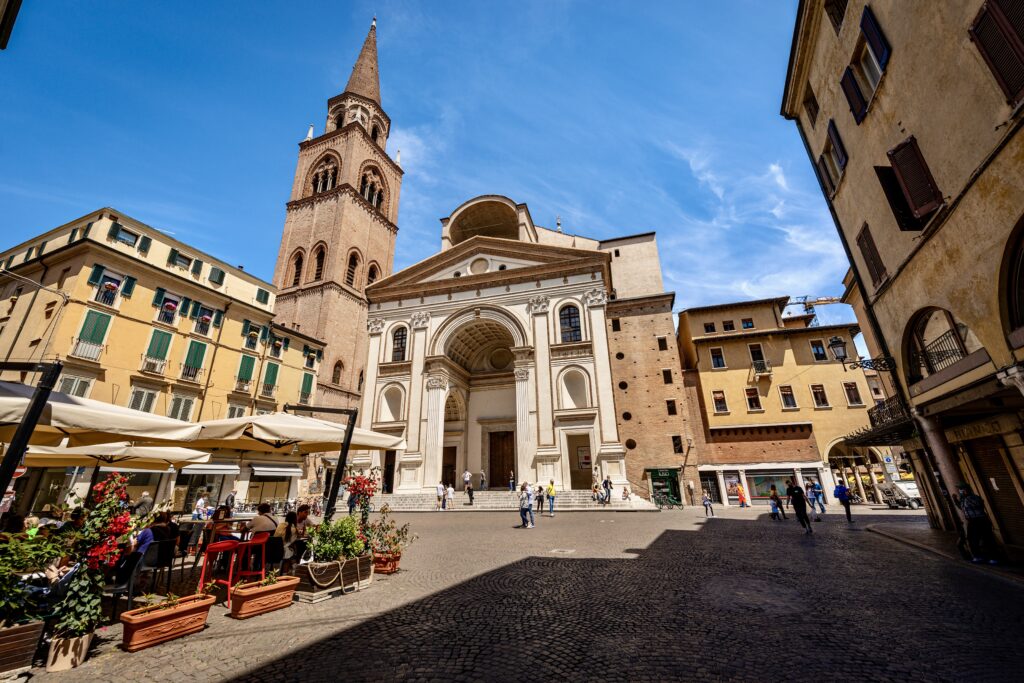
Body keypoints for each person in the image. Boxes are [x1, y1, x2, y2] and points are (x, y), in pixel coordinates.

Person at [958, 484, 998, 564]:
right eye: (960, 489)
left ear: (966, 490)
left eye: (961, 489)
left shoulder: (973, 498)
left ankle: (992, 558)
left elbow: (977, 504)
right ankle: (979, 557)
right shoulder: (965, 499)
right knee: (972, 539)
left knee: (986, 539)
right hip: (972, 521)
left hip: (979, 520)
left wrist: (964, 498)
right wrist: (957, 500)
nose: (960, 491)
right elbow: (963, 508)